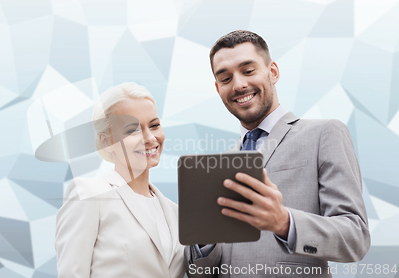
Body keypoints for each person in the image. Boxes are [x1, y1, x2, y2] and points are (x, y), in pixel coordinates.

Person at [184, 30, 370, 277]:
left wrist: (284, 222)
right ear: (218, 88)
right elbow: (200, 272)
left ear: (273, 72)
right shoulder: (218, 167)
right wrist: (203, 241)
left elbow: (355, 238)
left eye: (248, 71)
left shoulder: (324, 133)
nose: (239, 84)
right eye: (226, 78)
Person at [55, 82, 185, 278]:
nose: (150, 138)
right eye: (133, 130)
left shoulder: (174, 212)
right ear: (106, 141)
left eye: (154, 125)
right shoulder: (90, 195)